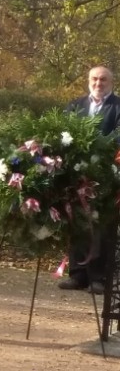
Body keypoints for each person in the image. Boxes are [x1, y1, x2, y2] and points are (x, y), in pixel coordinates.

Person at [59, 65, 120, 292]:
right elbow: (62, 132)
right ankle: (78, 275)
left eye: (103, 80)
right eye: (94, 79)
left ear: (111, 83)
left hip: (106, 176)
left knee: (102, 226)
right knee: (78, 222)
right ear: (88, 80)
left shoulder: (118, 107)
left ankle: (98, 278)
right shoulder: (75, 105)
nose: (98, 83)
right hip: (78, 176)